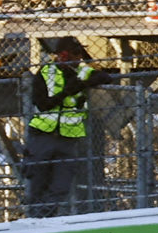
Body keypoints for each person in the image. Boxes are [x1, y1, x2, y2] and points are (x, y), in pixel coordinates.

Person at [22, 36, 100, 219]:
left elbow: (104, 76)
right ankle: (35, 219)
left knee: (60, 186)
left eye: (79, 54)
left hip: (67, 138)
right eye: (74, 55)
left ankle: (45, 217)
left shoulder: (82, 72)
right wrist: (67, 92)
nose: (78, 58)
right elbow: (43, 104)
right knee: (38, 183)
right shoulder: (46, 72)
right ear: (62, 55)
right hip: (43, 136)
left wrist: (83, 83)